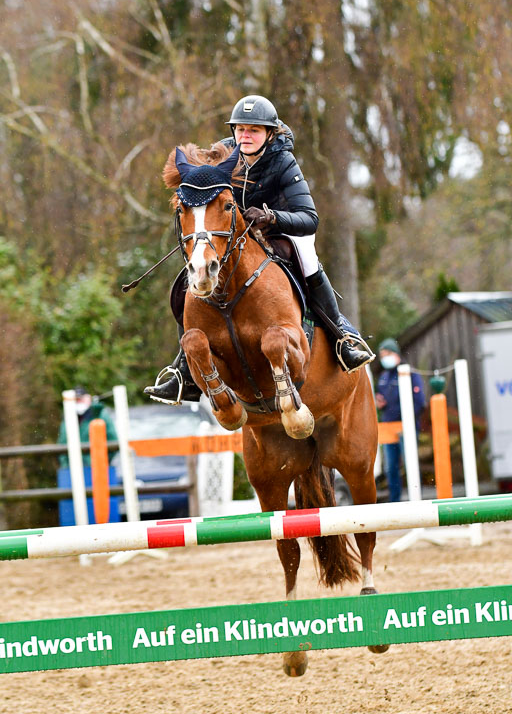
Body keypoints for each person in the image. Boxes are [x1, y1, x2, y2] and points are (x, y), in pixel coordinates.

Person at [145, 94, 375, 404]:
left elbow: (309, 217)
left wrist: (271, 216)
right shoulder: (223, 156)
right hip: (229, 238)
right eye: (240, 129)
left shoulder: (283, 161)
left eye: (254, 130)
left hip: (280, 232)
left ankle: (342, 337)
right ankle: (184, 370)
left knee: (308, 259)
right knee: (191, 277)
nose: (245, 136)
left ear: (270, 133)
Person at [375, 338, 425, 502]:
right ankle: (395, 501)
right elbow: (382, 399)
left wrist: (408, 422)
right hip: (388, 428)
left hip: (407, 427)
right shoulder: (383, 377)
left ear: (395, 354)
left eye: (386, 354)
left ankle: (416, 499)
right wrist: (380, 403)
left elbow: (419, 402)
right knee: (390, 468)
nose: (384, 358)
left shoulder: (410, 373)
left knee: (411, 465)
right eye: (381, 355)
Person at [57, 388, 118, 467]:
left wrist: (101, 461)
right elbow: (62, 443)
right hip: (72, 467)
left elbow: (113, 441)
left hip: (98, 466)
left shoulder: (101, 415)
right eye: (77, 400)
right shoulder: (68, 419)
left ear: (89, 398)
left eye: (81, 399)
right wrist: (66, 465)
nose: (79, 402)